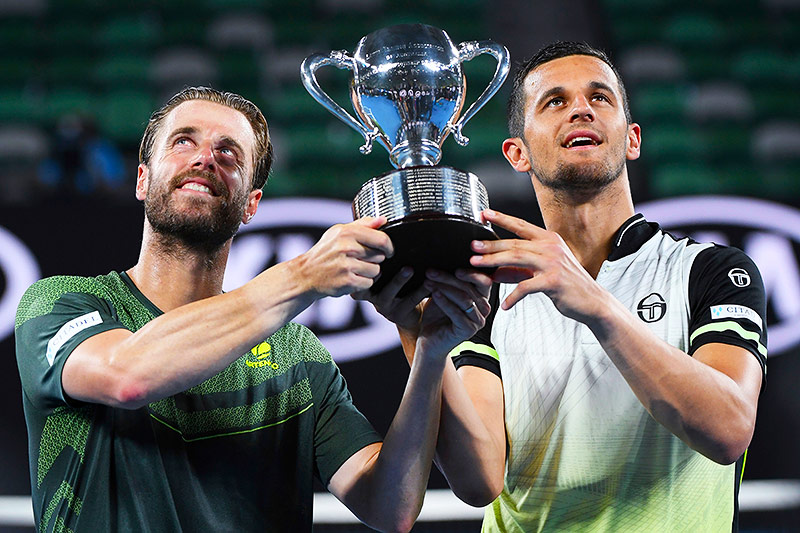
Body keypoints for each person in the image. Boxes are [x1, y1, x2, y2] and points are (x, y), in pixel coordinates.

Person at [15, 87, 490, 532]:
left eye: (228, 152)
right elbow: (128, 376)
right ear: (143, 179)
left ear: (251, 204)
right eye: (183, 142)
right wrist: (302, 276)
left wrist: (428, 354)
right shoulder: (60, 303)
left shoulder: (297, 354)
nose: (204, 158)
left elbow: (391, 508)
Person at [366, 42, 767, 532]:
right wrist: (421, 343)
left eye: (600, 98)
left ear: (632, 138)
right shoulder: (489, 291)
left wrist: (595, 304)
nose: (581, 108)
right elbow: (478, 482)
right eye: (554, 101)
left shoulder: (711, 270)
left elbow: (728, 430)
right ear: (517, 152)